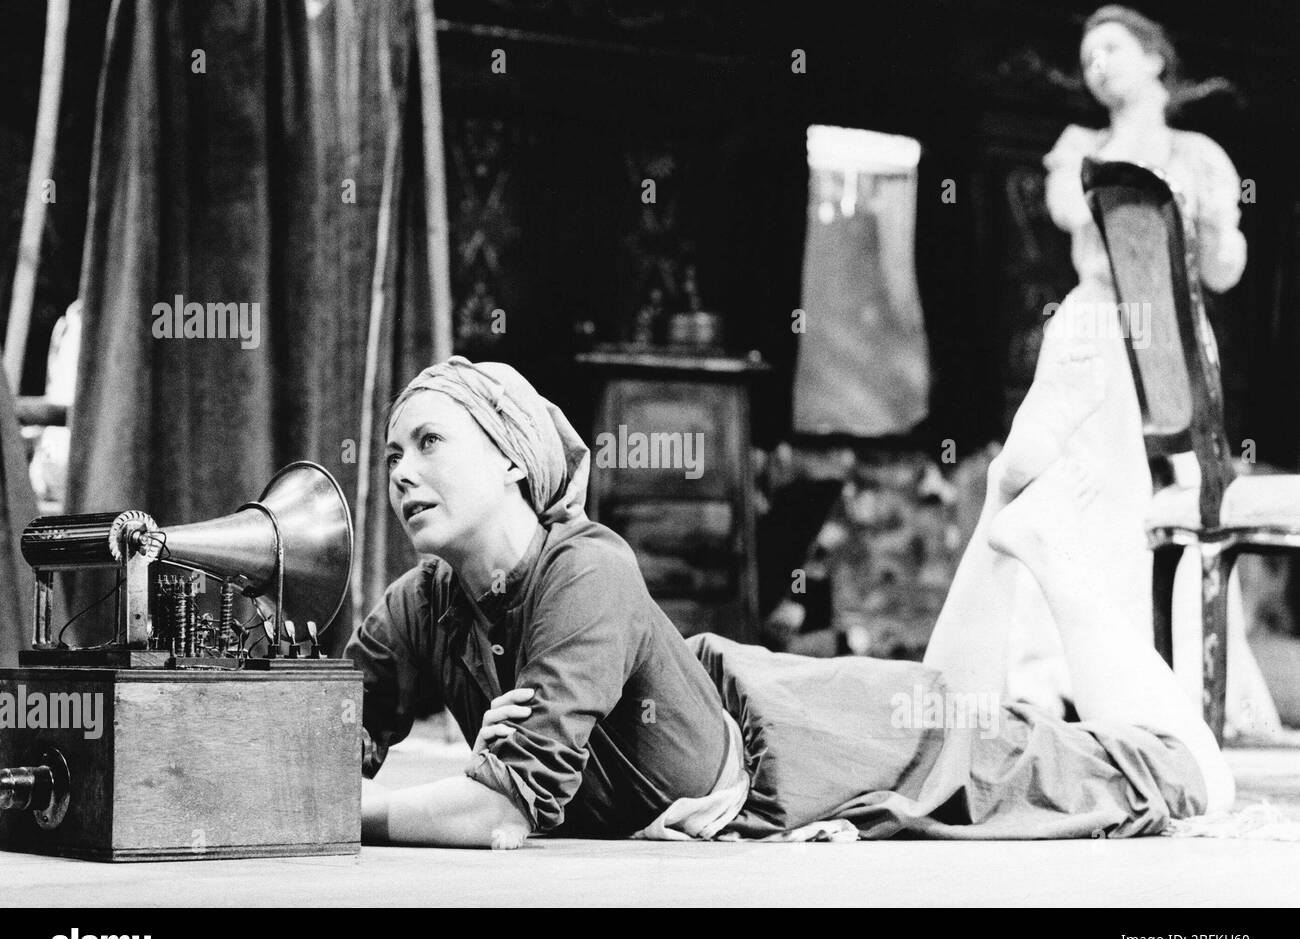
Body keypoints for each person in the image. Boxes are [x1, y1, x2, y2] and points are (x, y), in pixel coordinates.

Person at [352, 350, 1232, 849]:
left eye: (429, 442)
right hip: (758, 717)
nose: (402, 473)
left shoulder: (586, 569)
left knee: (1184, 777)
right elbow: (324, 737)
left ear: (512, 458)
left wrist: (360, 814)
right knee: (955, 709)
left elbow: (500, 811)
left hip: (810, 750)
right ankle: (1006, 507)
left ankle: (1039, 541)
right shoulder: (420, 604)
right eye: (392, 455)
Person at [1006, 5, 1282, 738]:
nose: (1098, 63)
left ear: (1156, 59)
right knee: (1073, 487)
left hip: (1170, 338)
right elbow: (1076, 214)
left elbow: (1224, 268)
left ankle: (1168, 676)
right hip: (1096, 326)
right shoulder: (1079, 149)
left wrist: (1210, 220)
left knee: (1165, 499)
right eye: (1088, 53)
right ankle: (1050, 675)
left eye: (1114, 48)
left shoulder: (1201, 155)